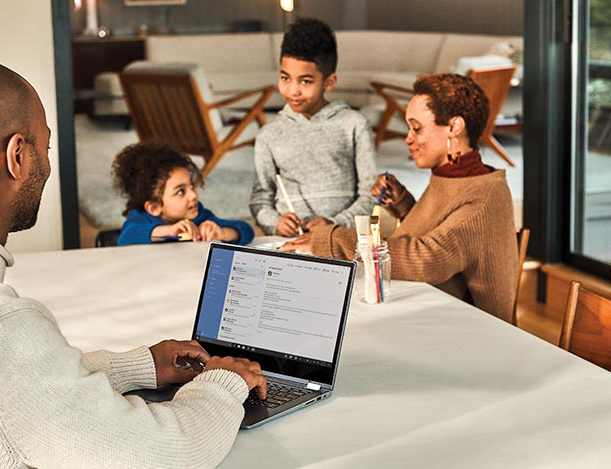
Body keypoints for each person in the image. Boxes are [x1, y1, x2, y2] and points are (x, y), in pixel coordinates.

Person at [0, 58, 266, 468]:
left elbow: (10, 389)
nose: (48, 165)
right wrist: (224, 381)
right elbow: (165, 454)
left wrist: (139, 366)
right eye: (45, 146)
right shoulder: (0, 326)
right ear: (18, 155)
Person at [281, 73, 519, 322]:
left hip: (477, 332)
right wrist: (403, 203)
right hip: (438, 313)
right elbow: (452, 238)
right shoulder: (454, 175)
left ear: (453, 127)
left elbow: (429, 259)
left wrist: (332, 240)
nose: (408, 138)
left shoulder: (482, 196)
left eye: (417, 128)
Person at [250, 17, 378, 236]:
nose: (293, 90)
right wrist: (275, 222)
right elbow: (260, 198)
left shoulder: (354, 125)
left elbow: (371, 194)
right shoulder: (268, 135)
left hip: (340, 240)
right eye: (285, 78)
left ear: (329, 82)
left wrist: (336, 225)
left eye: (305, 81)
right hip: (290, 243)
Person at [113, 142, 255, 246]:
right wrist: (170, 231)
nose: (193, 195)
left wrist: (222, 233)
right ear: (154, 208)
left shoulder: (199, 216)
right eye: (181, 191)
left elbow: (246, 230)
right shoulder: (140, 219)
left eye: (191, 186)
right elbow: (126, 238)